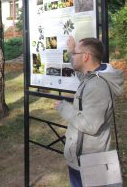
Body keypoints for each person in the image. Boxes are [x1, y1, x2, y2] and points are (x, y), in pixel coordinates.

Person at [55, 37, 124, 187]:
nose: (72, 57)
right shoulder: (92, 77)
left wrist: (63, 107)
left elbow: (90, 125)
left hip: (89, 161)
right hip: (82, 157)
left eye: (75, 54)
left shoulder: (97, 86)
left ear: (86, 56)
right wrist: (71, 50)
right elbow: (82, 77)